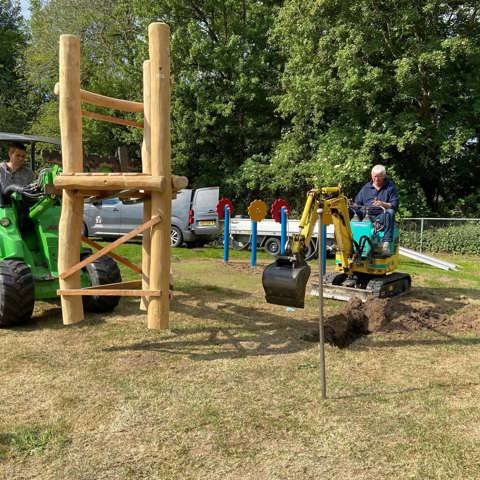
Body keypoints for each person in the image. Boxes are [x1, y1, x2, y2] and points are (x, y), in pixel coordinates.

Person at [354, 164, 399, 255]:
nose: (377, 179)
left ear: (384, 176)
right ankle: (346, 241)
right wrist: (352, 206)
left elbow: (394, 205)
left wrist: (383, 204)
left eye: (379, 177)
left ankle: (385, 244)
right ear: (371, 175)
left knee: (390, 212)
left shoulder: (390, 187)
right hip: (366, 215)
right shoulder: (365, 188)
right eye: (375, 176)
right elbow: (357, 204)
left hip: (382, 216)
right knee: (349, 211)